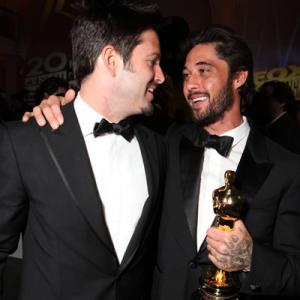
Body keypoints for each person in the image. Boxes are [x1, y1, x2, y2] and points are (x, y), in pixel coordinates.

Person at [25, 26, 300, 299]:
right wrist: (61, 107)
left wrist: (251, 258)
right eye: (186, 75)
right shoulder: (167, 142)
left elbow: (294, 274)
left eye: (204, 71)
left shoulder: (287, 167)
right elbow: (104, 108)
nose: (190, 85)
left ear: (239, 77)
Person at [0, 1, 166, 299]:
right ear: (111, 60)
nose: (161, 76)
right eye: (152, 61)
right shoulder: (24, 142)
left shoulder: (158, 148)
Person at [251, 80, 300, 154]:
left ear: (282, 102)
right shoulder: (269, 127)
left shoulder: (287, 130)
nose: (260, 102)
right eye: (259, 97)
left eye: (266, 97)